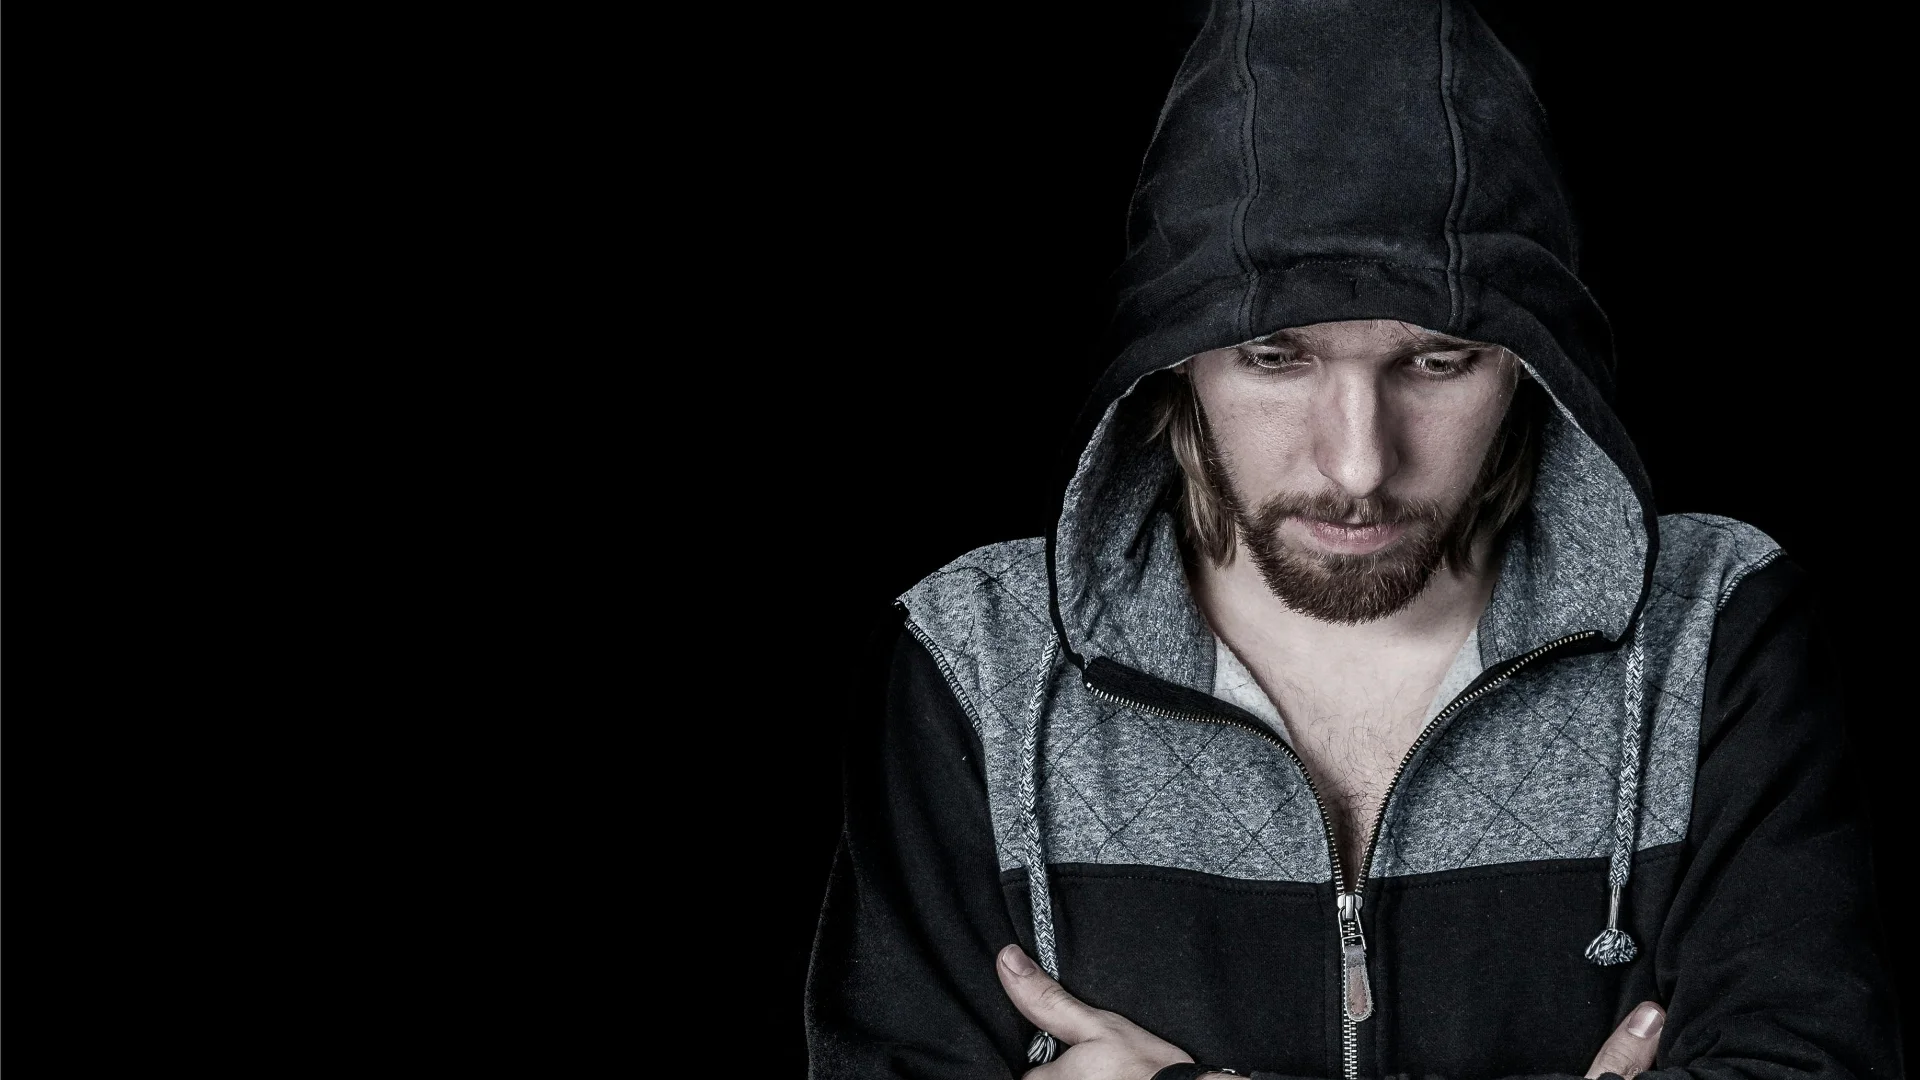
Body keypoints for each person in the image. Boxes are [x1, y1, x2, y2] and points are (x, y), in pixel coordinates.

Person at [805, 2, 1901, 1077]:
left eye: (1437, 361)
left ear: (1532, 365)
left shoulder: (1714, 632)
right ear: (1176, 360)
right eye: (1276, 358)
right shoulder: (975, 663)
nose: (1359, 464)